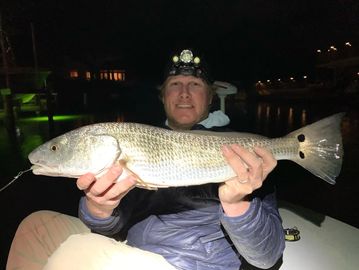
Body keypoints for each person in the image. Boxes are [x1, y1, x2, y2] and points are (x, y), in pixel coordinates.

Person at [7, 49, 285, 270]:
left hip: (189, 263)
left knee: (76, 253)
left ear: (210, 97)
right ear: (163, 97)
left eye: (195, 84)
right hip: (132, 248)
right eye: (175, 84)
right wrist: (98, 207)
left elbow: (267, 256)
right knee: (36, 227)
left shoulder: (243, 152)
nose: (184, 93)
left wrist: (237, 203)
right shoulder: (141, 143)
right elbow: (110, 228)